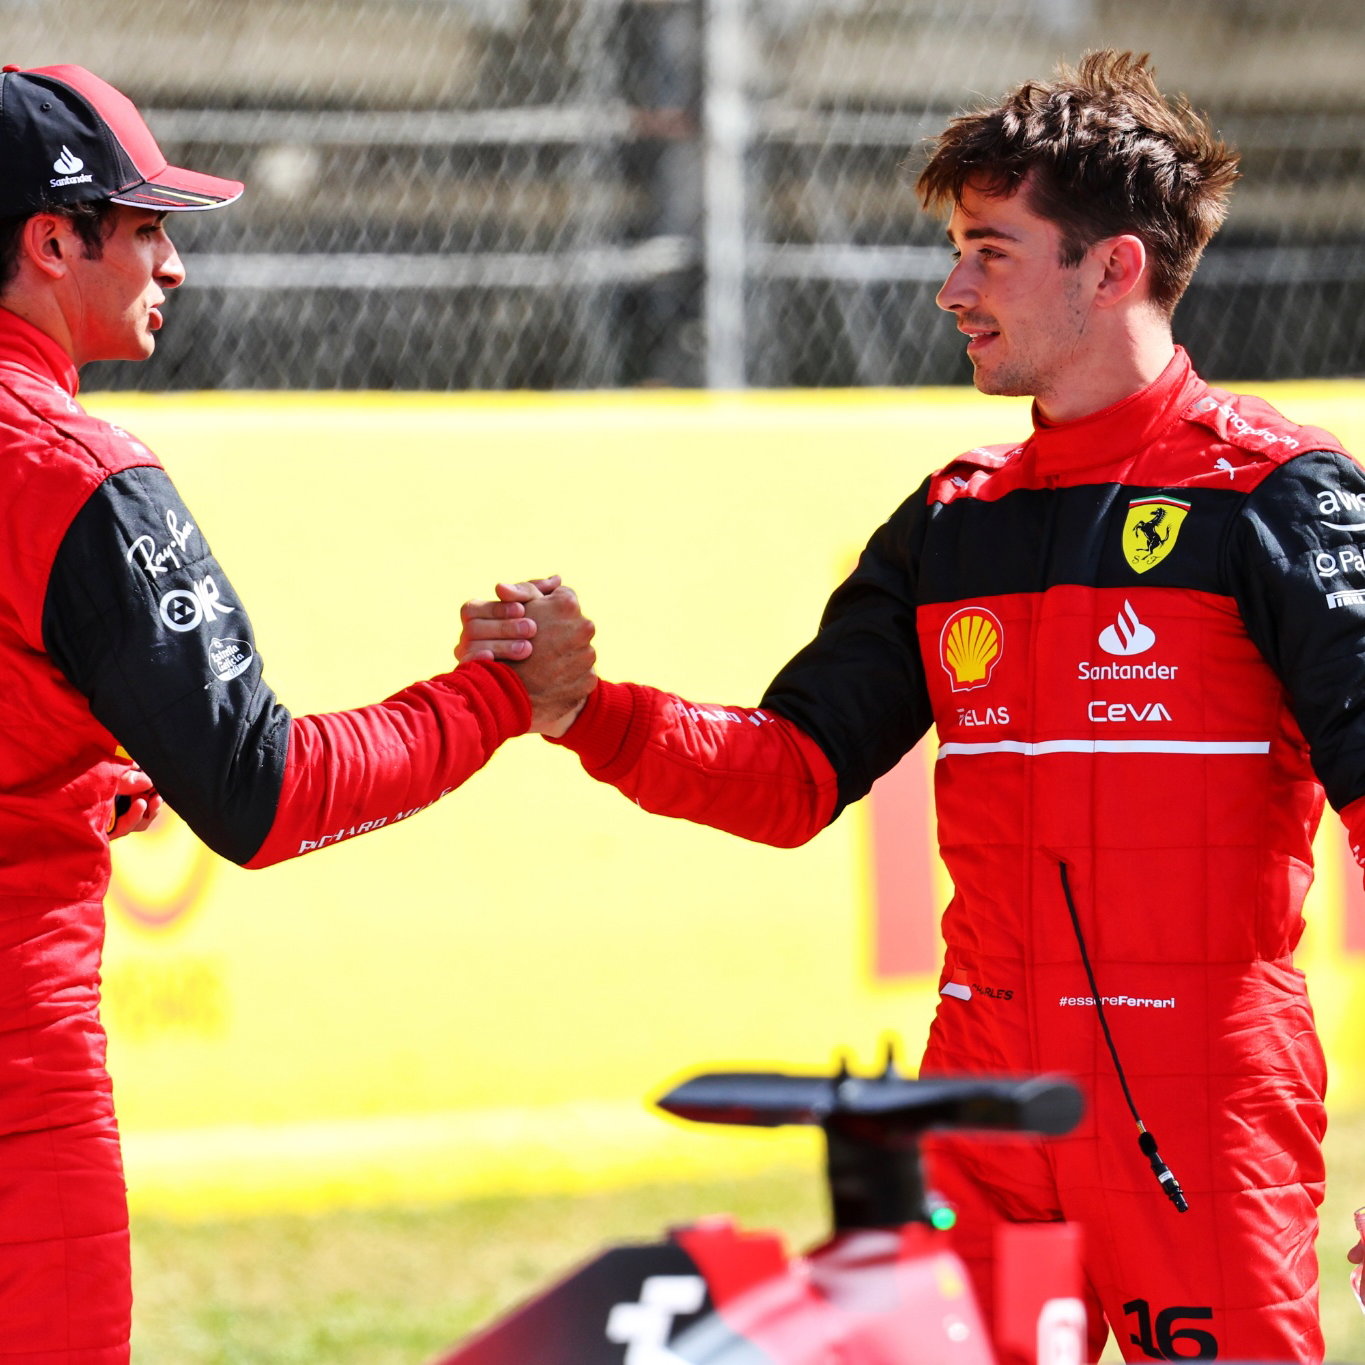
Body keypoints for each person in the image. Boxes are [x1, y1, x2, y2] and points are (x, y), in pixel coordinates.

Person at [462, 51, 1364, 1363]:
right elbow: (787, 777)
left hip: (1201, 1089)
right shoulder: (953, 519)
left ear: (1108, 269)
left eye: (989, 253)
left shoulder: (1282, 495)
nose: (951, 289)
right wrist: (585, 707)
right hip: (975, 1084)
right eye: (954, 251)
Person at [0, 63, 595, 1364]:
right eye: (146, 226)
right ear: (53, 240)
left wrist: (79, 769)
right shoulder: (69, 472)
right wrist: (490, 695)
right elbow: (262, 792)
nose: (176, 266)